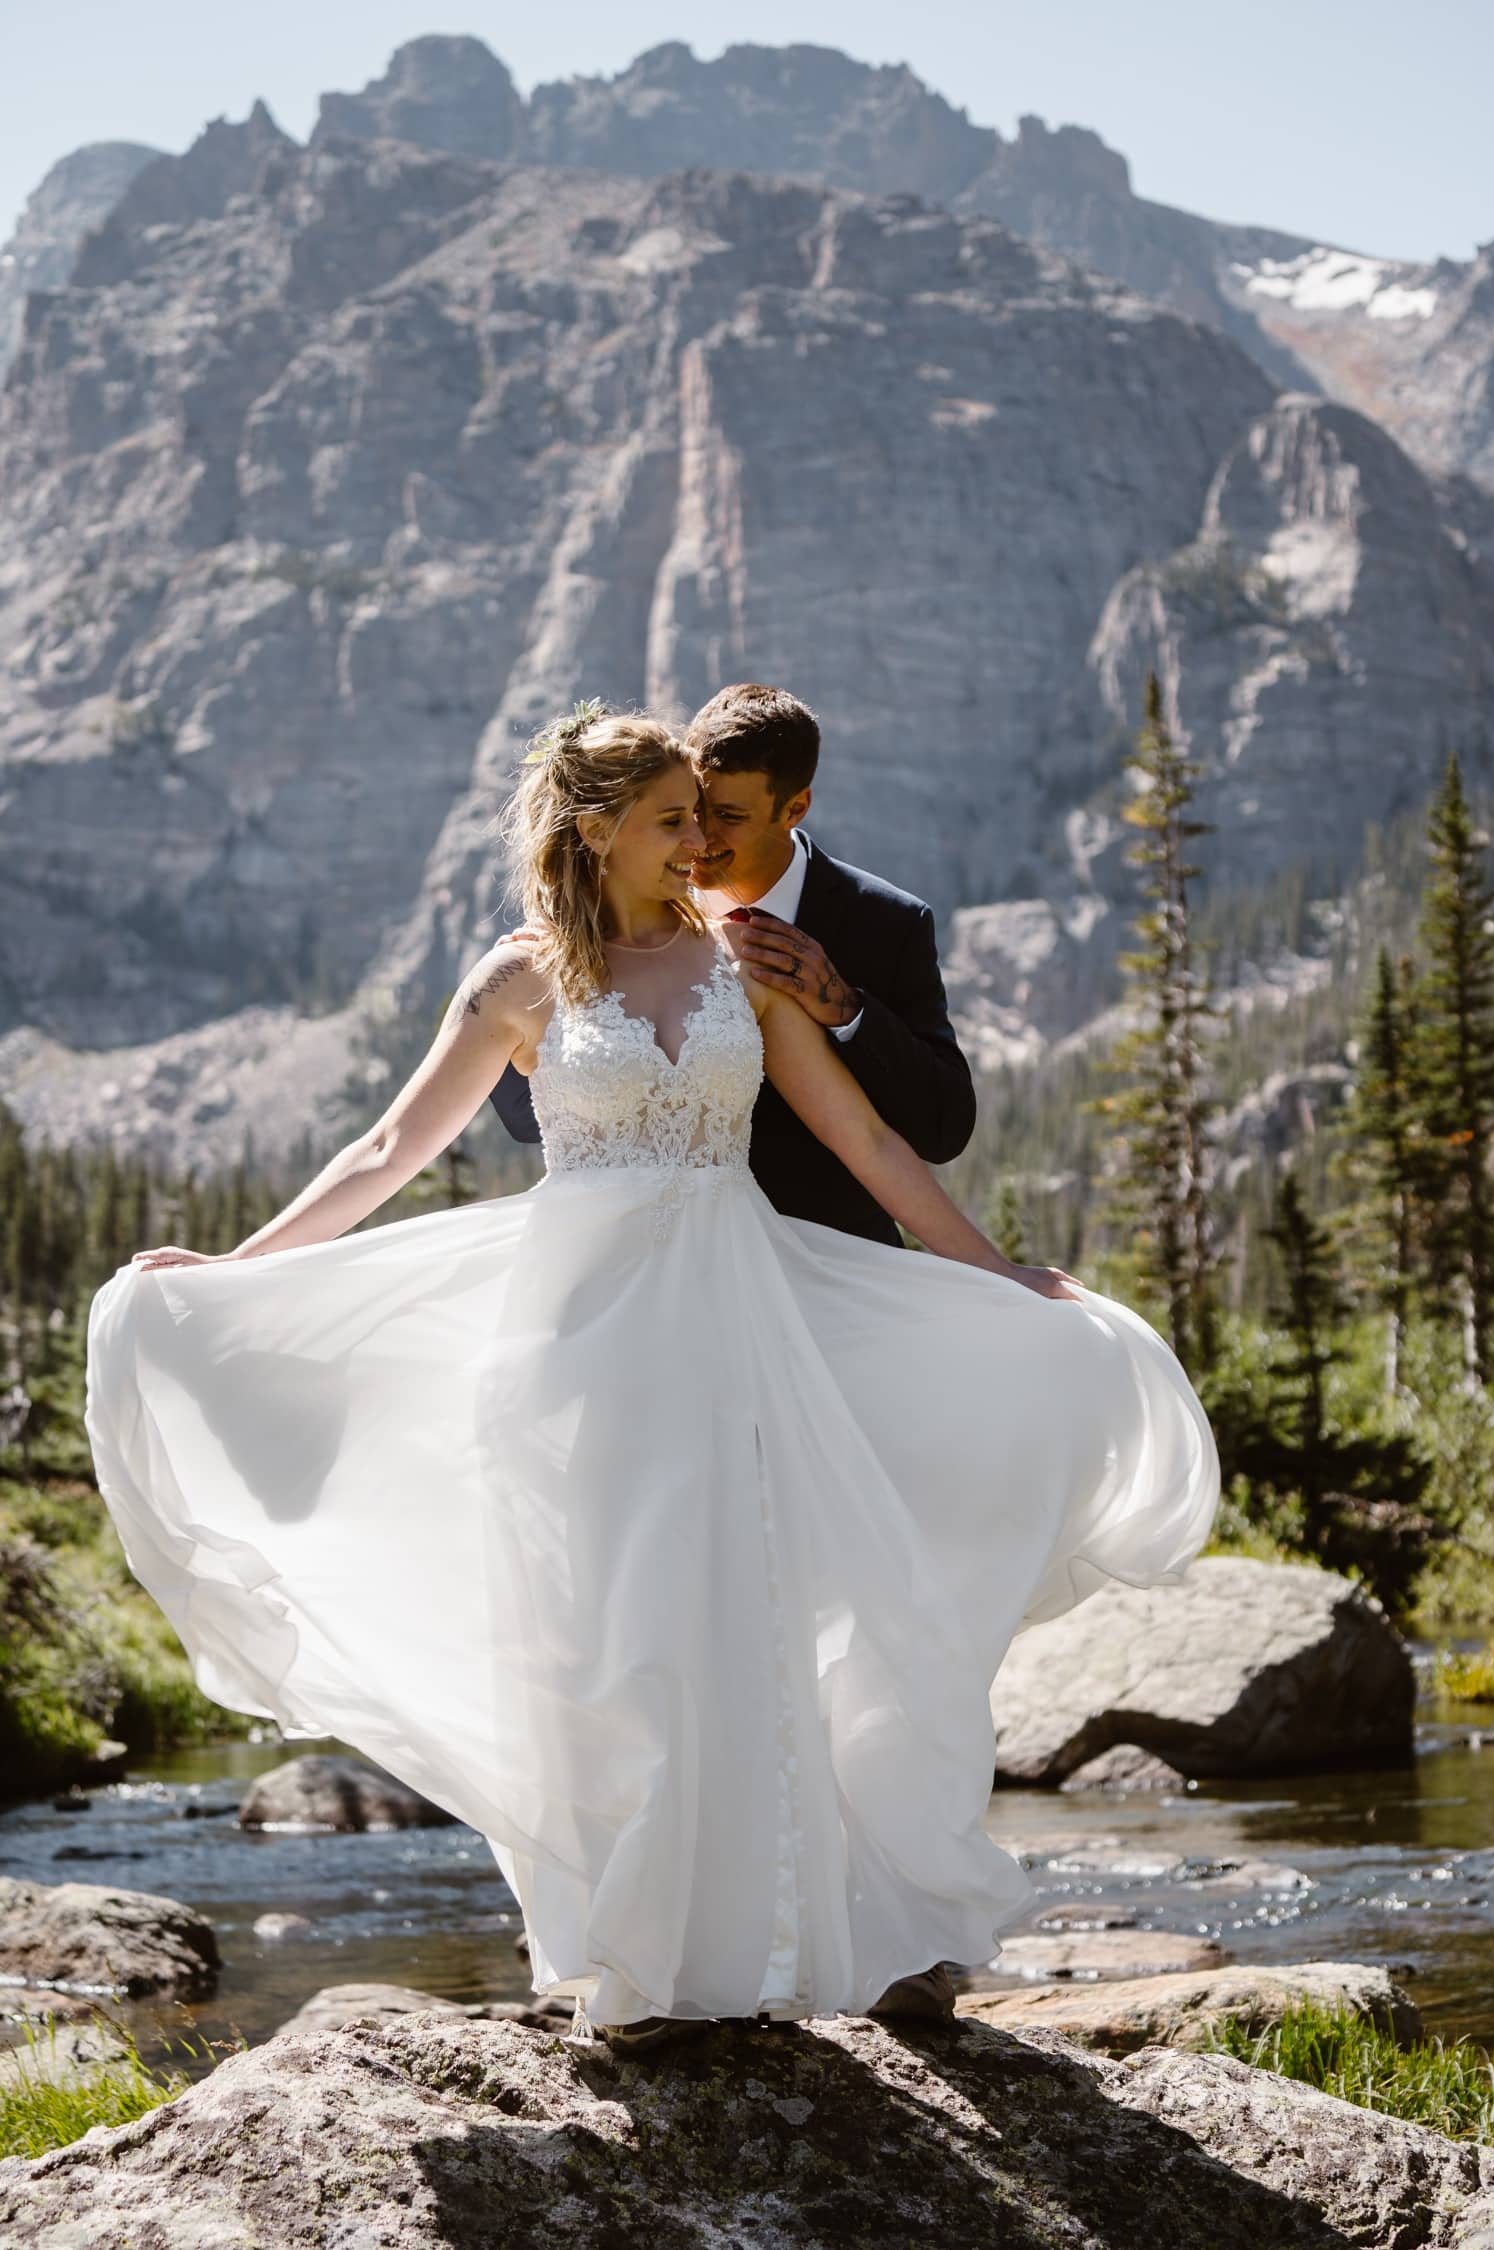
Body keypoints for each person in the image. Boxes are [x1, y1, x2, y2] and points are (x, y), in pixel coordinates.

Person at [85, 707, 1220, 2056]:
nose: (705, 838)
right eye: (678, 815)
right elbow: (392, 1145)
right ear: (596, 828)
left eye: (706, 811)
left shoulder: (742, 965)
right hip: (576, 1349)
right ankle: (629, 1949)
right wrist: (237, 1262)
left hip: (741, 1321)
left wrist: (1000, 1275)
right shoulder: (517, 980)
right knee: (610, 1644)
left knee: (735, 1626)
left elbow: (865, 1139)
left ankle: (767, 1947)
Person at [490, 683, 975, 1245]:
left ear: (794, 808)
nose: (699, 837)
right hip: (647, 1257)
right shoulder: (617, 915)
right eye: (690, 810)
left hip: (836, 1257)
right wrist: (559, 985)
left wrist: (846, 1010)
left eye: (726, 816)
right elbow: (528, 1123)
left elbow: (943, 1130)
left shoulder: (886, 924)